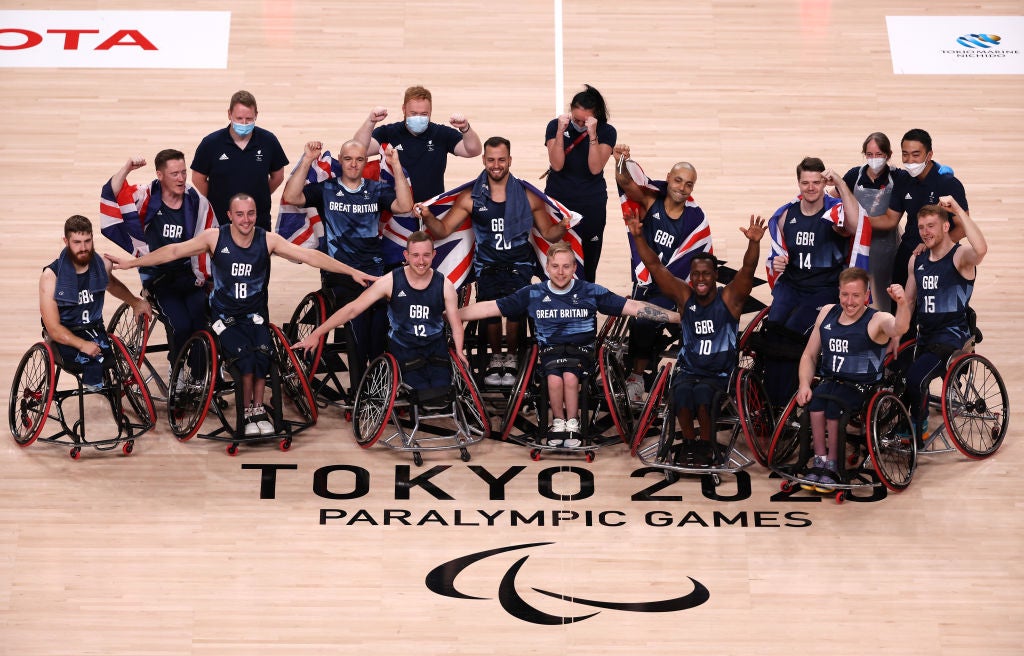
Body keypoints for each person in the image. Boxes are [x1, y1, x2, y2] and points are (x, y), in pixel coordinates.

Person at [105, 194, 377, 437]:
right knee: (245, 362)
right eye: (240, 214)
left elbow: (308, 256)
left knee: (263, 357)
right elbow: (174, 251)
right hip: (225, 317)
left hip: (255, 315)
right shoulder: (214, 237)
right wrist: (132, 263)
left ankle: (258, 410)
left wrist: (349, 270)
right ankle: (247, 413)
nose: (246, 220)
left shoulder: (267, 239)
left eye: (251, 213)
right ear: (230, 216)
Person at [458, 241, 680, 448]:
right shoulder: (534, 293)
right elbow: (489, 308)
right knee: (554, 379)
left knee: (571, 377)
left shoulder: (590, 292)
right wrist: (452, 314)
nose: (560, 272)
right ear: (547, 267)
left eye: (566, 266)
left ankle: (573, 422)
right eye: (555, 266)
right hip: (550, 353)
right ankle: (558, 422)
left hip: (582, 353)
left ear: (575, 268)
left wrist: (677, 317)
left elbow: (634, 307)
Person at [414, 136, 570, 387]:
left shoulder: (529, 197)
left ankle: (513, 358)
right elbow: (442, 231)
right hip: (487, 265)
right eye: (491, 160)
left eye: (501, 160)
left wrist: (562, 227)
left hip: (519, 264)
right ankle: (496, 358)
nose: (496, 165)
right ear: (484, 160)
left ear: (509, 160)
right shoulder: (471, 197)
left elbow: (548, 234)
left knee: (516, 311)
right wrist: (429, 215)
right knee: (490, 312)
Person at [627, 211, 765, 465]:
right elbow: (655, 266)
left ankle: (707, 444)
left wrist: (753, 243)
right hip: (689, 370)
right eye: (696, 274)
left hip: (719, 374)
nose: (700, 279)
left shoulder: (729, 299)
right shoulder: (684, 296)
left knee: (702, 397)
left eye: (706, 274)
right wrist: (638, 237)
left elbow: (747, 269)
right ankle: (690, 444)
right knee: (680, 396)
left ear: (715, 276)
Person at [281, 139, 412, 382]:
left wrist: (395, 166)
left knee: (382, 329)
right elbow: (291, 195)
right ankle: (358, 392)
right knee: (357, 326)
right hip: (340, 274)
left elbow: (404, 206)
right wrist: (308, 160)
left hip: (374, 272)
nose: (353, 164)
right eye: (348, 159)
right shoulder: (326, 189)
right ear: (340, 161)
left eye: (359, 159)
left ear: (365, 162)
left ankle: (380, 386)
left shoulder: (376, 189)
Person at [293, 231, 464, 392]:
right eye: (415, 255)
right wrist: (317, 333)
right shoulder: (390, 281)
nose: (421, 261)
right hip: (405, 349)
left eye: (426, 255)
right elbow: (352, 309)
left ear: (434, 255)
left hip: (435, 348)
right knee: (420, 391)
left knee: (444, 390)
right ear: (406, 256)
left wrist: (460, 351)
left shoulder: (444, 285)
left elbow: (456, 326)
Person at [795, 268, 912, 492]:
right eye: (845, 295)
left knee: (833, 409)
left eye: (856, 295)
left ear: (866, 295)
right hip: (830, 381)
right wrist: (803, 384)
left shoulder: (878, 319)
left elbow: (900, 327)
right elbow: (809, 355)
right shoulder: (827, 312)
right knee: (816, 405)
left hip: (861, 386)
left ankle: (834, 463)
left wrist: (902, 303)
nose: (850, 302)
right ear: (838, 293)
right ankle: (819, 459)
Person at [101, 150, 216, 369]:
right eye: (174, 174)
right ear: (160, 175)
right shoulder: (145, 196)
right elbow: (111, 194)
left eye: (183, 172)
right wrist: (126, 168)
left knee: (201, 322)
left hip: (190, 276)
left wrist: (209, 279)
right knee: (181, 325)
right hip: (158, 278)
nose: (181, 178)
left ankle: (200, 377)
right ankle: (178, 371)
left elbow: (210, 240)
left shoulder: (196, 202)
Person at [614, 146, 712, 402]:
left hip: (673, 286)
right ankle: (638, 371)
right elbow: (625, 182)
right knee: (641, 319)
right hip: (647, 279)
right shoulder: (651, 201)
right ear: (668, 177)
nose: (682, 187)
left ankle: (639, 374)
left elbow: (699, 258)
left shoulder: (696, 219)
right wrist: (621, 161)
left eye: (689, 184)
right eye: (678, 180)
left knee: (645, 319)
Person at [763, 156, 859, 405]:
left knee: (793, 333)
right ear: (799, 183)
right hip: (793, 285)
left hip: (824, 289)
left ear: (822, 182)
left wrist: (838, 180)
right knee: (772, 330)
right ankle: (767, 392)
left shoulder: (834, 211)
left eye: (816, 182)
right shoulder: (787, 215)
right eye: (806, 182)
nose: (811, 187)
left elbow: (856, 224)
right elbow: (778, 253)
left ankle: (785, 397)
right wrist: (777, 262)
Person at [892, 196, 986, 441]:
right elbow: (909, 301)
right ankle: (908, 414)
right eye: (921, 227)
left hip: (952, 337)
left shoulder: (959, 257)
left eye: (931, 226)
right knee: (896, 372)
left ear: (946, 226)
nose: (925, 232)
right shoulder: (917, 260)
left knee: (916, 377)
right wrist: (897, 334)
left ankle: (919, 423)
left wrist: (957, 209)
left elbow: (981, 249)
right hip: (925, 336)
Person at [41, 216, 151, 391]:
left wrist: (135, 302)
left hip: (94, 330)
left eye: (87, 241)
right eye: (77, 242)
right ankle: (93, 380)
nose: (83, 248)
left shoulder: (102, 265)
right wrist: (82, 344)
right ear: (66, 241)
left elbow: (111, 284)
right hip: (65, 333)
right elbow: (53, 329)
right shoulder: (51, 276)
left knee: (107, 357)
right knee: (89, 358)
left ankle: (97, 384)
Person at [874, 129, 969, 290]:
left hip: (940, 258)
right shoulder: (903, 180)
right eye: (905, 154)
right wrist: (857, 219)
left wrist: (933, 246)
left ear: (929, 155)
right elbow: (890, 219)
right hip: (908, 254)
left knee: (931, 312)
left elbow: (963, 227)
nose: (910, 160)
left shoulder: (948, 184)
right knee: (898, 307)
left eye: (916, 154)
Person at [352, 85, 482, 203]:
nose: (418, 117)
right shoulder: (388, 132)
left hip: (430, 209)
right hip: (395, 209)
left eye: (424, 114)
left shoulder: (441, 134)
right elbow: (359, 150)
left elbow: (473, 150)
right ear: (404, 109)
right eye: (413, 113)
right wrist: (370, 121)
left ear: (430, 111)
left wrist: (465, 128)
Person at [543, 84, 616, 282]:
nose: (580, 124)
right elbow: (556, 165)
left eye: (585, 121)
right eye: (576, 119)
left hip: (591, 204)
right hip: (559, 202)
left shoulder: (607, 131)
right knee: (556, 258)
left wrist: (592, 135)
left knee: (589, 260)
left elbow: (595, 167)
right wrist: (560, 132)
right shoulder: (554, 126)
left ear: (595, 117)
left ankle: (586, 305)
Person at [191, 90, 289, 231]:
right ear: (229, 114)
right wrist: (216, 199)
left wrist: (260, 193)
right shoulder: (210, 143)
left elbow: (278, 176)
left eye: (249, 119)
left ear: (256, 115)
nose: (244, 123)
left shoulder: (269, 141)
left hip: (258, 221)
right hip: (220, 222)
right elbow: (198, 178)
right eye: (239, 118)